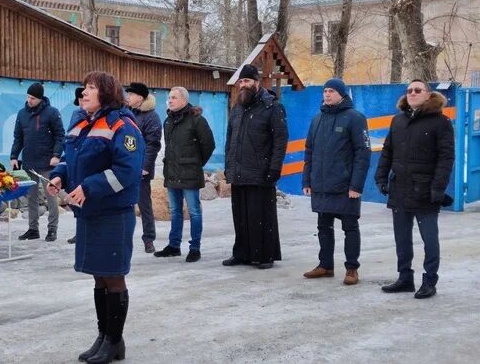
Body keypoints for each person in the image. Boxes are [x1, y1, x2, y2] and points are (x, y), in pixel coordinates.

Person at [47, 71, 144, 363]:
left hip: (113, 214)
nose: (84, 92)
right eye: (84, 87)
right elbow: (70, 158)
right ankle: (105, 337)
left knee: (113, 277)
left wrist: (89, 187)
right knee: (99, 277)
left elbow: (127, 170)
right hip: (89, 213)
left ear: (106, 93)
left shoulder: (123, 125)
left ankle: (113, 341)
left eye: (91, 88)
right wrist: (58, 177)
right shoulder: (81, 122)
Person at [375, 79, 454, 299]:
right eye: (409, 90)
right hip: (399, 188)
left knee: (429, 238)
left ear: (428, 95)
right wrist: (381, 177)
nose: (412, 93)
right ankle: (405, 278)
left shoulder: (441, 123)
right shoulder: (397, 121)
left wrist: (438, 188)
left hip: (425, 191)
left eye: (417, 90)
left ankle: (430, 281)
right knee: (401, 237)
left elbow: (446, 159)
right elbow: (387, 152)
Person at [301, 78, 371, 285]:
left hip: (345, 187)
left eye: (331, 91)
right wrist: (307, 180)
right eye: (325, 91)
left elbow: (363, 154)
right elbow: (309, 151)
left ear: (342, 94)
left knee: (350, 227)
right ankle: (325, 266)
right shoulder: (317, 119)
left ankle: (351, 269)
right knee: (323, 227)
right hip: (321, 186)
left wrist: (356, 186)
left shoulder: (355, 118)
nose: (327, 94)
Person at [222, 64, 289, 269]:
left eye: (247, 81)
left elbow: (280, 140)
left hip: (261, 171)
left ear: (257, 83)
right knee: (240, 216)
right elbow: (230, 139)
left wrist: (275, 169)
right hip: (239, 171)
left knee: (261, 216)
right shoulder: (237, 108)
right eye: (241, 81)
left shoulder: (272, 107)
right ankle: (241, 253)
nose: (243, 84)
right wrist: (228, 166)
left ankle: (264, 255)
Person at [154, 86, 215, 263]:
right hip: (172, 172)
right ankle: (174, 246)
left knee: (194, 211)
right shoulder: (168, 121)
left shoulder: (197, 120)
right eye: (169, 98)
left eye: (173, 97)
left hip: (190, 173)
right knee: (175, 211)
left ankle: (195, 248)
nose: (170, 100)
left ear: (184, 100)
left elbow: (208, 145)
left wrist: (196, 163)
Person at [10, 82, 65, 242]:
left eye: (33, 98)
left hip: (48, 162)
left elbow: (60, 136)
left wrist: (56, 154)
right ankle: (33, 229)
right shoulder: (22, 114)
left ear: (40, 98)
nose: (29, 100)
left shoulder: (52, 113)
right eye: (28, 97)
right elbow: (18, 137)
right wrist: (14, 156)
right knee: (31, 196)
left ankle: (52, 229)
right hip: (29, 162)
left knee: (51, 196)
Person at [125, 82, 162, 254]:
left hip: (141, 169)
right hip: (126, 167)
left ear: (140, 98)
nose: (128, 97)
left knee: (144, 205)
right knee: (124, 204)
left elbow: (153, 144)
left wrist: (145, 167)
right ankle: (124, 237)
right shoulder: (128, 114)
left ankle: (149, 239)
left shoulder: (151, 117)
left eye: (131, 95)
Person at [68, 86, 85, 244]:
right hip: (74, 160)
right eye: (79, 100)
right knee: (74, 199)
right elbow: (70, 136)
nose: (81, 102)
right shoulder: (76, 114)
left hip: (84, 161)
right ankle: (79, 229)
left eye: (82, 98)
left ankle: (83, 230)